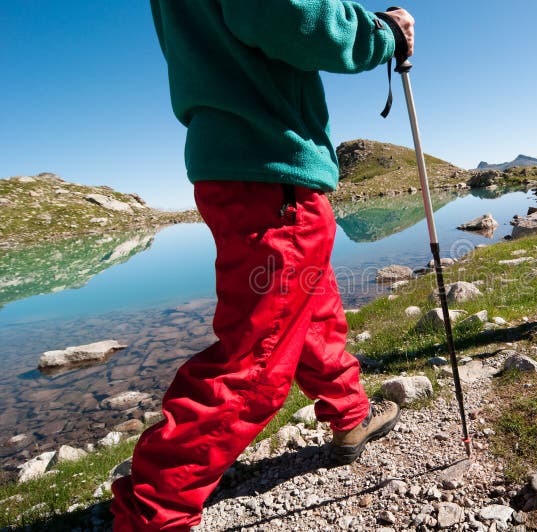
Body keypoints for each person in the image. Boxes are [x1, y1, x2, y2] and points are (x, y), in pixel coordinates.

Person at [111, 2, 415, 529]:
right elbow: (293, 17)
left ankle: (349, 415)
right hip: (273, 165)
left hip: (235, 165)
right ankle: (152, 514)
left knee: (311, 307)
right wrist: (382, 32)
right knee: (256, 360)